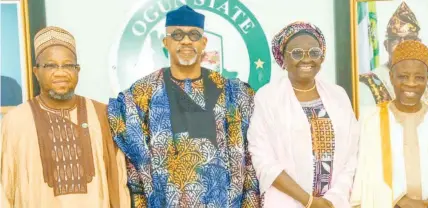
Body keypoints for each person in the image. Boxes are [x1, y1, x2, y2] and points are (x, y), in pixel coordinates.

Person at [107, 5, 260, 207]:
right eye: (177, 35)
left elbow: (249, 161)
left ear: (204, 42)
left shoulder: (233, 93)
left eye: (194, 34)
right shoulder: (141, 95)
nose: (186, 40)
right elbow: (133, 164)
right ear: (166, 42)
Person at [0, 26, 130, 208]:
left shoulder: (104, 115)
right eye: (50, 65)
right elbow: (4, 189)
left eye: (68, 65)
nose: (60, 72)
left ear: (78, 70)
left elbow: (119, 181)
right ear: (36, 72)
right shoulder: (16, 121)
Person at [247, 21, 359, 208]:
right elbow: (263, 158)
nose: (307, 59)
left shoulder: (338, 95)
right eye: (297, 53)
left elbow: (352, 153)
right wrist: (308, 201)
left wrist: (332, 199)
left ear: (322, 57)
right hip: (286, 202)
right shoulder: (268, 98)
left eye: (314, 52)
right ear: (283, 59)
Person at [351, 40, 428, 208]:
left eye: (419, 77)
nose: (411, 83)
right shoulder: (371, 120)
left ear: (427, 78)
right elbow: (365, 175)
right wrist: (399, 200)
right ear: (391, 76)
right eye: (403, 76)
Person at [359, 1, 428, 106]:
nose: (402, 45)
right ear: (386, 45)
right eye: (395, 40)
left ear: (419, 43)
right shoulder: (369, 83)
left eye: (409, 38)